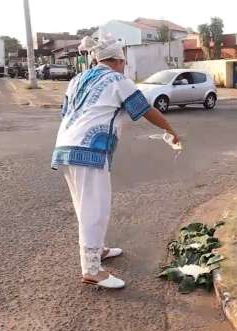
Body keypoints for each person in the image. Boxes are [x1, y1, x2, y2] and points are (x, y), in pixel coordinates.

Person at [51, 35, 181, 289]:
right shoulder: (118, 80)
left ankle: (96, 251)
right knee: (95, 209)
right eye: (124, 62)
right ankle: (91, 270)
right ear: (119, 60)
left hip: (65, 146)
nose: (125, 66)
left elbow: (65, 112)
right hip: (89, 150)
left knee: (85, 205)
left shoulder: (77, 79)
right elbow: (144, 109)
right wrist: (171, 130)